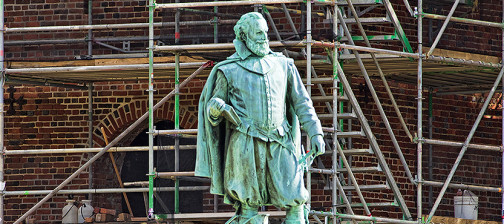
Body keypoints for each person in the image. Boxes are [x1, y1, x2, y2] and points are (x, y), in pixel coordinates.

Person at [196, 12, 325, 224]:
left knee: (296, 201)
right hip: (245, 144)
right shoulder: (228, 69)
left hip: (281, 141)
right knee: (248, 204)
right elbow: (213, 108)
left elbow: (302, 102)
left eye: (265, 31)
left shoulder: (284, 66)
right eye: (258, 32)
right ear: (244, 36)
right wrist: (215, 109)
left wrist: (316, 132)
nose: (264, 37)